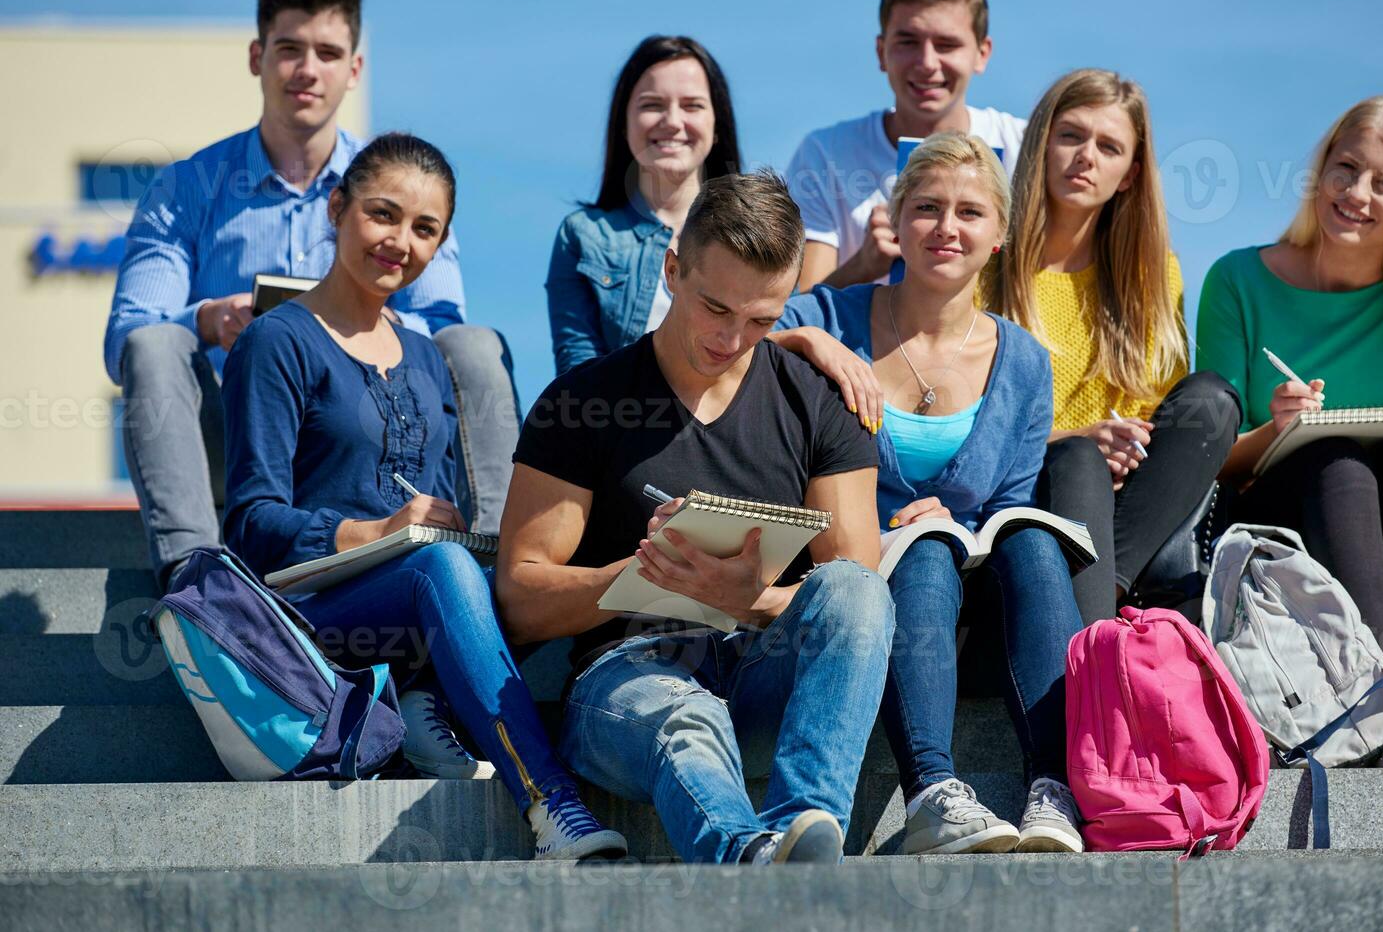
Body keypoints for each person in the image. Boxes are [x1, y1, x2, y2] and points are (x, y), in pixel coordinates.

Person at [221, 132, 625, 860]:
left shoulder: (428, 360)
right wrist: (375, 531)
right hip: (310, 616)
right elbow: (250, 525)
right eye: (382, 214)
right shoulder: (275, 341)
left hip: (417, 602)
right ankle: (550, 802)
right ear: (336, 209)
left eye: (424, 229)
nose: (399, 242)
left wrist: (453, 529)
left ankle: (427, 702)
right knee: (441, 571)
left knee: (532, 570)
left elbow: (436, 504)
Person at [495, 171, 896, 865]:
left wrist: (748, 599)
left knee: (858, 588)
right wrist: (641, 578)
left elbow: (852, 591)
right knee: (689, 714)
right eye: (716, 308)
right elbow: (520, 599)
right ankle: (761, 860)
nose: (733, 338)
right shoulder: (582, 402)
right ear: (672, 270)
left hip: (762, 671)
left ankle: (801, 826)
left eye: (763, 321)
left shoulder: (819, 401)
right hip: (628, 682)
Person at [104, 0, 519, 589]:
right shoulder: (186, 187)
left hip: (361, 437)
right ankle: (197, 581)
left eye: (327, 52)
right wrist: (212, 320)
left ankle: (491, 559)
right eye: (289, 48)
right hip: (239, 438)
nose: (307, 70)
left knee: (472, 343)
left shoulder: (401, 187)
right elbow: (125, 337)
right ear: (257, 56)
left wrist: (338, 326)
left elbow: (439, 328)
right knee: (154, 342)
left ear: (354, 68)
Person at [773, 133, 1084, 854]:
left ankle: (1054, 786)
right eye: (927, 208)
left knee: (1029, 536)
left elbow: (1007, 493)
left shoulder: (1026, 362)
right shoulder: (833, 316)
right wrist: (816, 344)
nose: (946, 227)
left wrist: (953, 517)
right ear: (896, 219)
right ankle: (933, 792)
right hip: (868, 567)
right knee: (922, 549)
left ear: (1000, 235)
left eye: (969, 213)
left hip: (974, 593)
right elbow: (744, 338)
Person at [1197, 95, 1383, 769]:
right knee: (1335, 456)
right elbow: (1209, 465)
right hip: (1277, 543)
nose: (1355, 194)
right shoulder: (1235, 280)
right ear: (1318, 169)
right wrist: (1277, 429)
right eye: (1344, 169)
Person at [987, 68, 1241, 624]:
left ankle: (1110, 587)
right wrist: (1080, 438)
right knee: (1079, 461)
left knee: (1211, 400)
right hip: (1035, 489)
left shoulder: (1157, 277)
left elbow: (1158, 410)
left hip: (1130, 504)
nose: (1086, 157)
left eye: (1109, 147)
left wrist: (1125, 447)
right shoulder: (987, 266)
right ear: (1040, 144)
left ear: (1129, 175)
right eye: (1072, 135)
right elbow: (974, 427)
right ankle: (1102, 626)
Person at [785, 0, 1026, 292]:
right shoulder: (825, 156)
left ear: (982, 53)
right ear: (881, 52)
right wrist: (864, 265)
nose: (927, 63)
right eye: (908, 42)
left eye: (947, 44)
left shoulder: (1025, 147)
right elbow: (797, 309)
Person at [547, 35, 741, 375]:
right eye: (652, 105)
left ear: (717, 125)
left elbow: (776, 345)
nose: (673, 121)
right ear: (624, 123)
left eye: (692, 105)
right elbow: (577, 374)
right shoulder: (583, 236)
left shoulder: (759, 232)